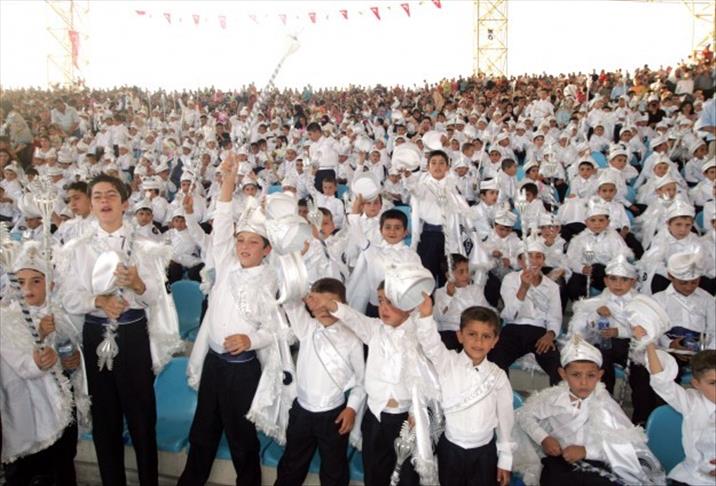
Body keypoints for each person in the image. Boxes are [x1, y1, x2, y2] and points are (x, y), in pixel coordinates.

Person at [59, 173, 180, 486]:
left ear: (125, 203)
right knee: (104, 420)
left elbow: (157, 298)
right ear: (91, 204)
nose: (104, 201)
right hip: (95, 333)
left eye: (111, 195)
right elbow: (69, 297)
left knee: (142, 418)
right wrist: (97, 300)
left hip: (133, 335)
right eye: (97, 196)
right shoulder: (76, 249)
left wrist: (138, 284)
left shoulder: (146, 247)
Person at [181, 155, 288, 486]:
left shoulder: (271, 280)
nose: (244, 246)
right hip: (214, 363)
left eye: (253, 242)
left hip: (242, 370)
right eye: (241, 240)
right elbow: (223, 222)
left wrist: (250, 340)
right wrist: (228, 181)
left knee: (242, 441)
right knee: (202, 434)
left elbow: (278, 329)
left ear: (266, 249)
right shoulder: (226, 264)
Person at [515, 334, 664, 486]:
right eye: (576, 375)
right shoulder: (553, 399)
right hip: (560, 460)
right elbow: (524, 416)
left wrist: (586, 451)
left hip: (596, 462)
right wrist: (543, 438)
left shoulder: (606, 405)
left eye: (591, 375)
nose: (583, 382)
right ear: (563, 374)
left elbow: (624, 444)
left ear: (600, 375)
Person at [1, 241, 88, 486]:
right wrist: (39, 339)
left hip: (63, 410)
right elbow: (23, 364)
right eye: (20, 282)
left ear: (50, 284)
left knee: (62, 468)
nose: (27, 290)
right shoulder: (5, 320)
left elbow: (71, 355)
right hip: (29, 416)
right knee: (27, 474)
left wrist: (74, 361)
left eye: (36, 281)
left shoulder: (60, 316)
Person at [275, 278, 366, 486]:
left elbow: (361, 380)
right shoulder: (306, 327)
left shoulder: (352, 339)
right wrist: (300, 289)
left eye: (330, 304)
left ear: (343, 306)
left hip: (334, 416)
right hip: (302, 412)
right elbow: (291, 304)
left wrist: (351, 408)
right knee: (291, 464)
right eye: (318, 303)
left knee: (334, 470)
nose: (324, 309)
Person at [416, 305, 514, 486]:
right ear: (460, 335)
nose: (478, 341)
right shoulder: (447, 362)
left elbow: (505, 420)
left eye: (486, 336)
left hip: (484, 452)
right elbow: (430, 343)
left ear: (495, 341)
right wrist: (426, 315)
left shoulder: (498, 376)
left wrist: (505, 459)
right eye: (472, 334)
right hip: (451, 449)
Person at [638, 333, 716, 486]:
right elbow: (662, 382)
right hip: (692, 478)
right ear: (696, 384)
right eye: (713, 383)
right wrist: (649, 344)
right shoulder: (691, 402)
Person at [488, 237, 562, 385]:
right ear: (520, 261)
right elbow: (509, 315)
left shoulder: (552, 286)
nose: (534, 261)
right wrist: (523, 287)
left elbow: (555, 317)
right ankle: (501, 396)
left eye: (538, 256)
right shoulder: (510, 279)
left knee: (556, 366)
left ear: (543, 260)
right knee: (495, 361)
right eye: (529, 257)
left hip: (540, 332)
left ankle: (558, 397)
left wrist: (550, 334)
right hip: (513, 329)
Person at [567, 254, 639, 394]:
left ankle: (641, 407)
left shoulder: (640, 303)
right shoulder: (596, 302)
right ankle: (605, 399)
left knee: (640, 372)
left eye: (624, 279)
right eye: (613, 279)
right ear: (606, 281)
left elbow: (646, 330)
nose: (618, 284)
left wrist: (618, 332)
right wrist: (597, 314)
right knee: (601, 362)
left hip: (632, 345)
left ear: (633, 282)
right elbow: (585, 327)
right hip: (605, 344)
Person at [346, 208, 421, 317]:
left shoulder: (411, 255)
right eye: (388, 227)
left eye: (397, 228)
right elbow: (357, 233)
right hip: (376, 305)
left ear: (405, 232)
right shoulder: (372, 250)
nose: (392, 231)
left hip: (399, 307)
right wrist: (357, 207)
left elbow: (416, 281)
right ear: (381, 230)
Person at [433, 254, 492, 351]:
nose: (466, 275)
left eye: (467, 271)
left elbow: (486, 311)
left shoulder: (475, 290)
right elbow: (438, 316)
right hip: (451, 331)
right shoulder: (440, 292)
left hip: (474, 332)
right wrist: (448, 296)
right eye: (461, 272)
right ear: (449, 275)